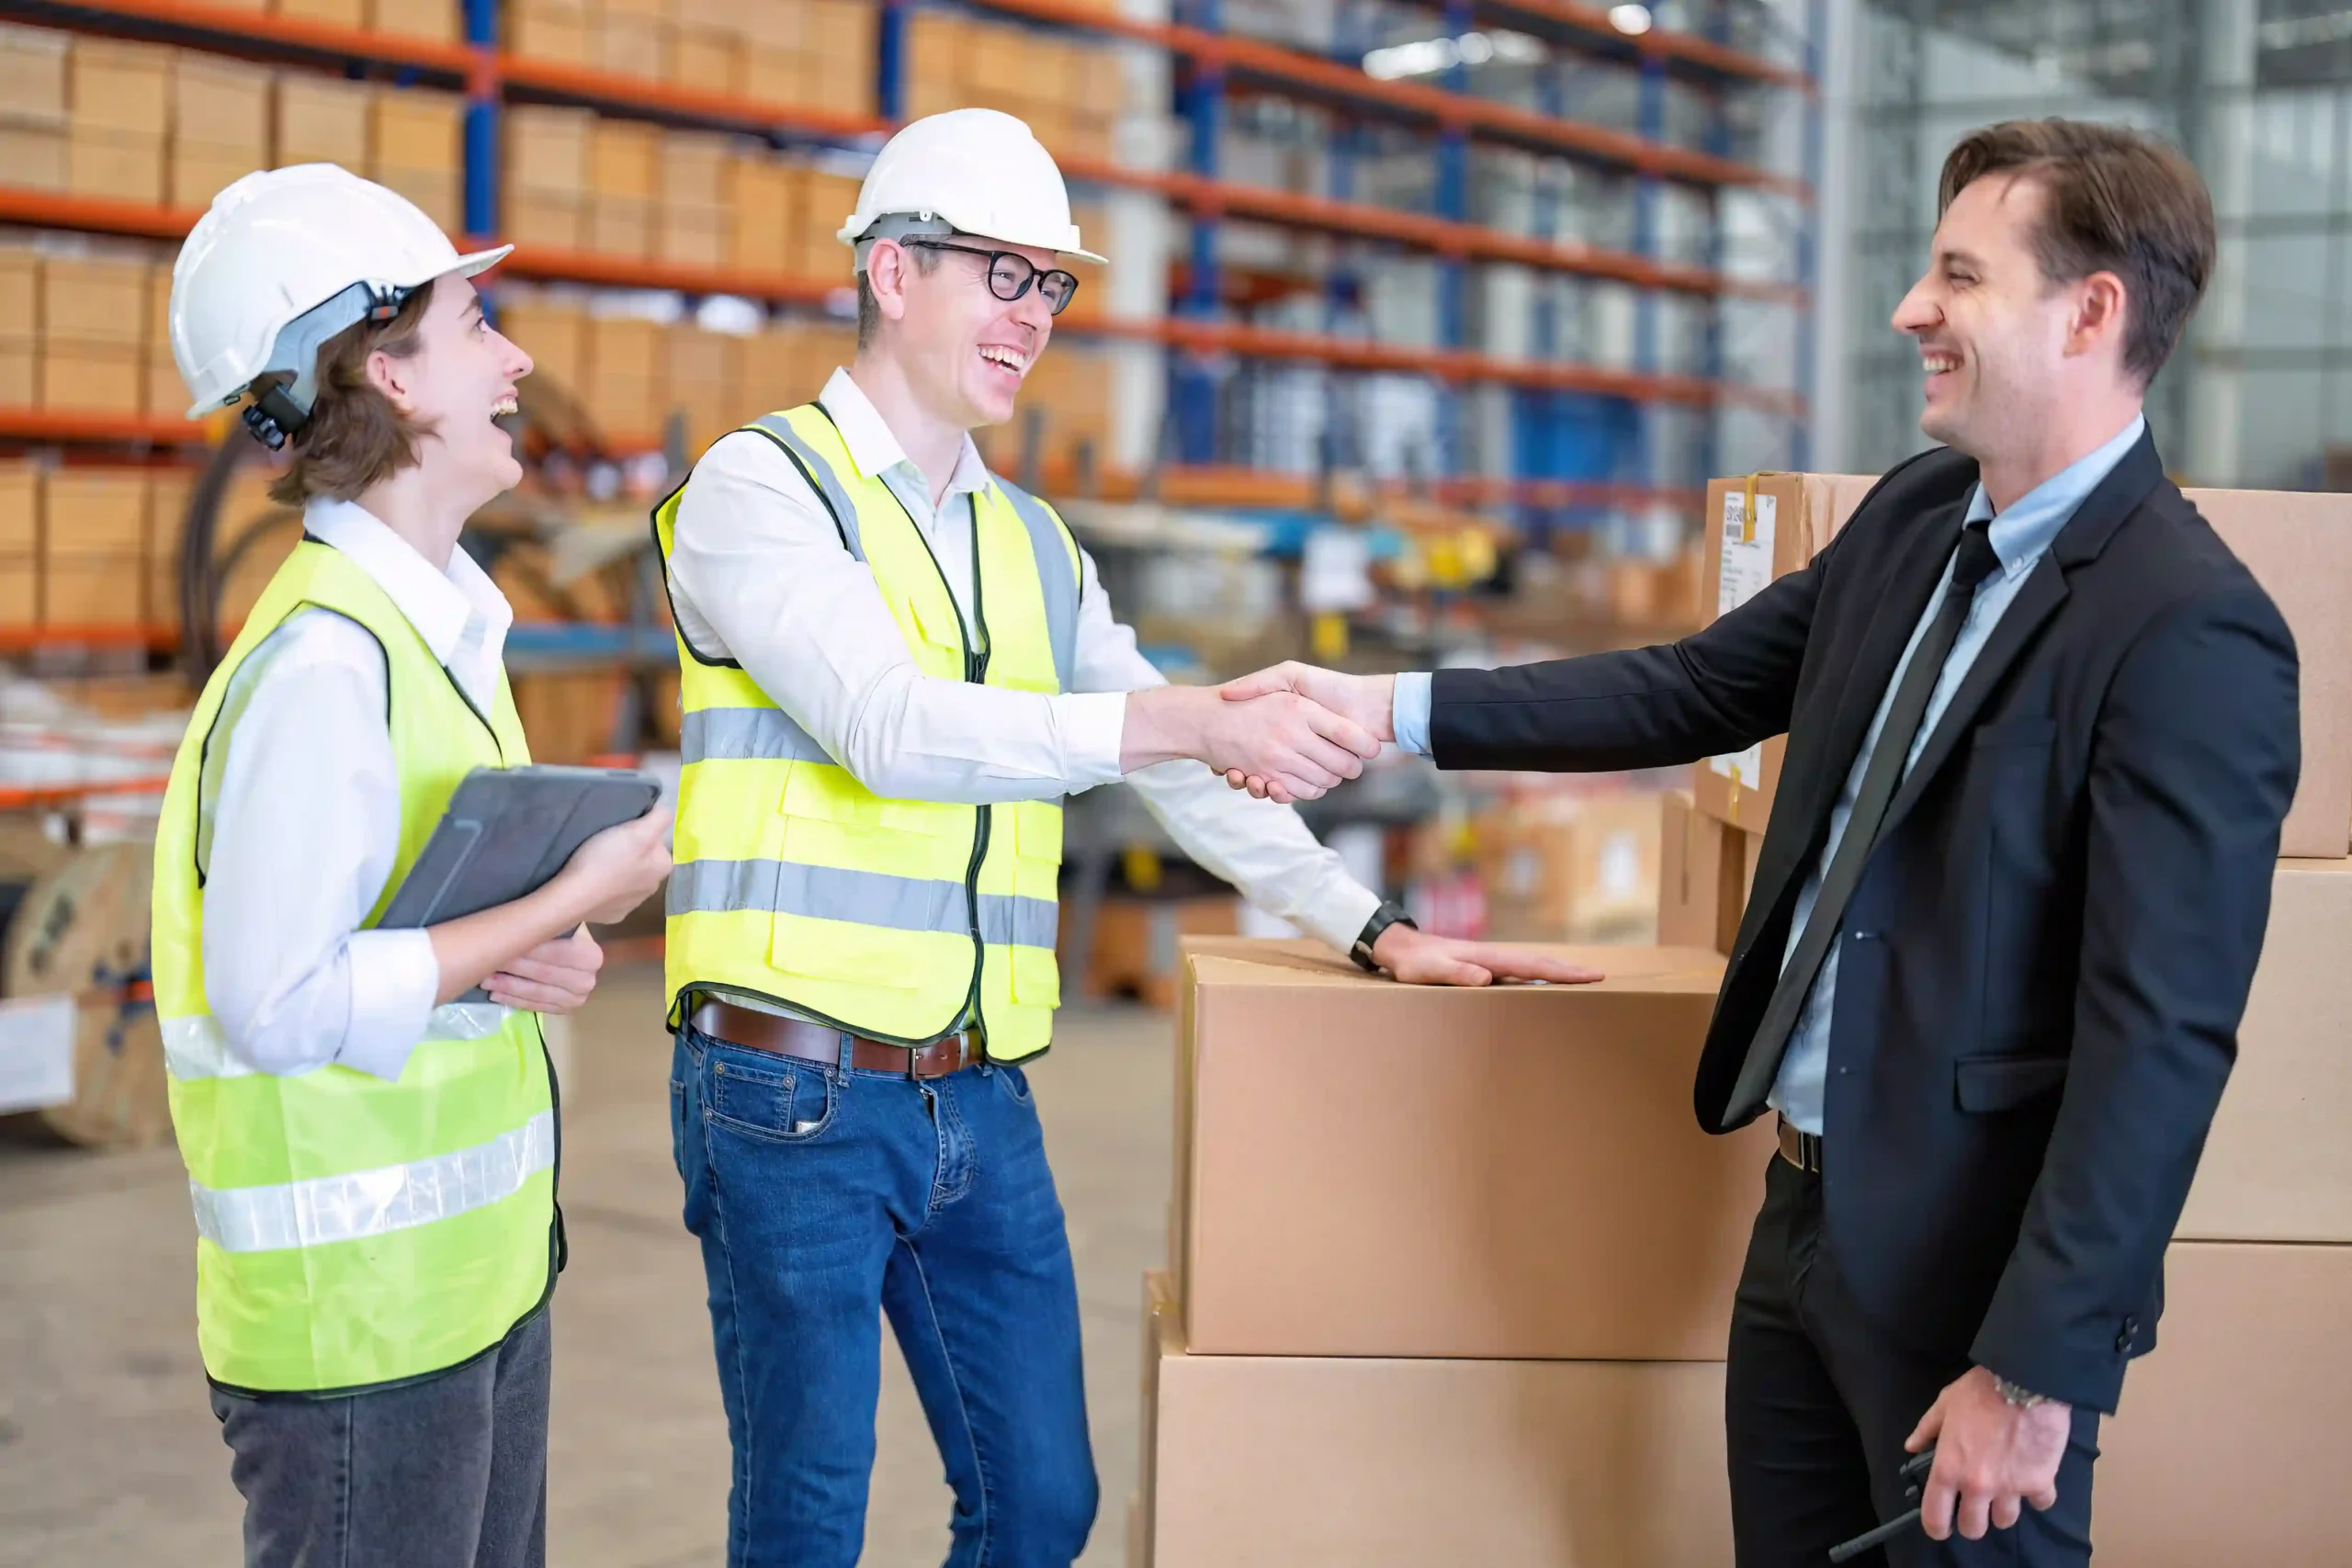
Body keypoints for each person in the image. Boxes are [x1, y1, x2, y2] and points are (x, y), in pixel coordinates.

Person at [1220, 118, 2300, 1566]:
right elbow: (1693, 683)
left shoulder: (2186, 625)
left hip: (1970, 1288)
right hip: (1797, 1218)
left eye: (1959, 276)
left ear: (2091, 309)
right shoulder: (1919, 518)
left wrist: (2037, 1371)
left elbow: (2158, 1041)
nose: (1912, 309)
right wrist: (1384, 707)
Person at [654, 107, 1590, 1567]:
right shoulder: (761, 490)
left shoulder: (1033, 540)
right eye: (1001, 276)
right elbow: (890, 727)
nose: (1033, 319)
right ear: (893, 273)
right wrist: (1181, 723)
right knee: (806, 1522)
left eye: (1053, 287)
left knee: (1042, 1504)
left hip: (975, 1094)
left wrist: (1368, 923)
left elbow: (1185, 767)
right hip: (792, 1096)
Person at [151, 164, 673, 1568]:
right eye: (475, 321)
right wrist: (567, 899)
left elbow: (409, 931)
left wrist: (518, 953)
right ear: (388, 373)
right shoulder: (327, 663)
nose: (514, 360)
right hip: (356, 1335)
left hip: (471, 1292)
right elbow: (278, 1002)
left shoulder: (436, 635)